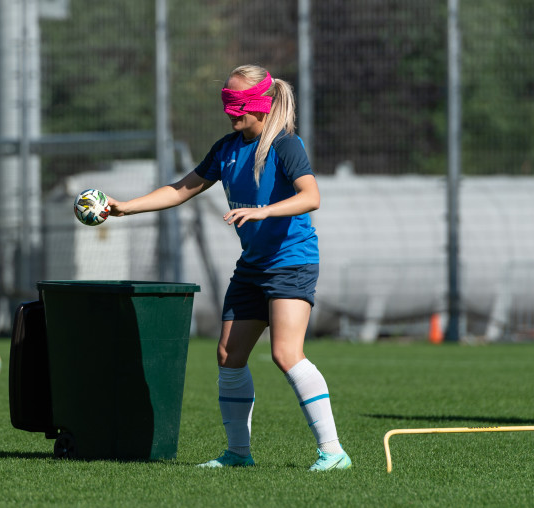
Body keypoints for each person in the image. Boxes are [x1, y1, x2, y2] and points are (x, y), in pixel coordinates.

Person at [106, 64, 351, 472]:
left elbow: (311, 197)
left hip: (291, 262)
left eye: (237, 104)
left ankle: (333, 452)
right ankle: (238, 453)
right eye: (227, 102)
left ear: (260, 104)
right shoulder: (227, 148)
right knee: (228, 355)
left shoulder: (286, 146)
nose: (230, 112)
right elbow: (182, 188)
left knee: (285, 354)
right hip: (252, 267)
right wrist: (126, 207)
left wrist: (265, 212)